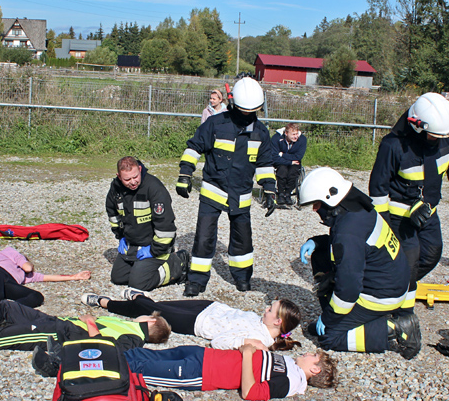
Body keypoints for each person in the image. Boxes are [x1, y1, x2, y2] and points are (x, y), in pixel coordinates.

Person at [298, 168, 421, 359]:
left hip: (381, 295)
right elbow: (358, 247)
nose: (315, 210)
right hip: (390, 280)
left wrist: (329, 318)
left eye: (316, 204)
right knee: (320, 254)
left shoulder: (348, 232)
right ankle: (341, 318)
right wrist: (318, 242)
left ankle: (395, 328)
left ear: (330, 198)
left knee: (329, 338)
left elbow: (349, 290)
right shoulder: (356, 209)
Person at [368, 92, 449, 290]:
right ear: (417, 125)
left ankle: (398, 285)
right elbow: (378, 187)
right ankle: (397, 301)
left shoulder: (447, 138)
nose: (440, 140)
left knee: (432, 254)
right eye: (435, 136)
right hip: (400, 215)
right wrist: (384, 222)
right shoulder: (394, 145)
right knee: (408, 258)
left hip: (428, 211)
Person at [176, 76, 277, 295]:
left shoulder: (260, 132)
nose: (248, 115)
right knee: (204, 237)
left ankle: (242, 278)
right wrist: (185, 174)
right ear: (233, 104)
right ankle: (196, 280)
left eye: (252, 111)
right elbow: (194, 147)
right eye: (243, 110)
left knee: (243, 240)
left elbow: (265, 163)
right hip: (213, 191)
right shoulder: (215, 124)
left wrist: (269, 188)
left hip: (241, 194)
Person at [81, 289, 302, 351]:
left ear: (278, 322)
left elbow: (218, 343)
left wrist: (243, 344)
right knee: (160, 305)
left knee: (149, 309)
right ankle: (140, 298)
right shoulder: (262, 325)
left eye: (270, 310)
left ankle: (104, 302)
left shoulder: (257, 339)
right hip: (209, 307)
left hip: (196, 322)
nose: (265, 309)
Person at [0, 301, 170, 354]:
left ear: (151, 322)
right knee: (7, 308)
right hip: (56, 322)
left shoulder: (134, 339)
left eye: (147, 316)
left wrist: (90, 323)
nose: (142, 316)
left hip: (57, 334)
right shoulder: (129, 327)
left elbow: (107, 348)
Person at [124, 343, 337, 401]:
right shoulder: (289, 363)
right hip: (206, 356)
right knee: (147, 355)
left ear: (314, 369)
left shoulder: (291, 382)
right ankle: (104, 352)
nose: (308, 353)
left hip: (201, 372)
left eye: (313, 355)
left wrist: (246, 355)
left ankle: (98, 367)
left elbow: (251, 392)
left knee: (141, 368)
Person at [106, 156, 190, 291]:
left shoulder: (154, 187)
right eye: (127, 179)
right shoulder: (115, 189)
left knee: (138, 284)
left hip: (154, 246)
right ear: (119, 176)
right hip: (133, 244)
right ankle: (140, 268)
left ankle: (178, 263)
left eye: (135, 176)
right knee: (118, 277)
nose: (133, 182)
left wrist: (153, 250)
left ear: (140, 169)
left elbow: (166, 227)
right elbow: (113, 214)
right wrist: (121, 237)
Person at [0, 246, 91, 311]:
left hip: (9, 281)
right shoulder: (10, 253)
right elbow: (28, 267)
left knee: (36, 296)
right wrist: (27, 264)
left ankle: (5, 311)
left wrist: (75, 276)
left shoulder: (23, 275)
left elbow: (46, 277)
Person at [269, 123, 307, 207]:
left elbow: (298, 156)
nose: (296, 136)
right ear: (286, 133)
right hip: (280, 163)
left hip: (294, 163)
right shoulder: (276, 138)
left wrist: (282, 155)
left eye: (297, 134)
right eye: (293, 134)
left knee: (293, 171)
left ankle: (288, 193)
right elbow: (274, 157)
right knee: (282, 170)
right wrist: (290, 161)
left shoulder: (302, 139)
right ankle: (281, 194)